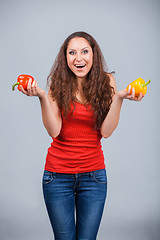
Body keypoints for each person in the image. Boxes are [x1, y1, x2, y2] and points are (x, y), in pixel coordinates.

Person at [20, 31, 144, 240]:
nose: (79, 58)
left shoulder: (107, 81)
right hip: (57, 177)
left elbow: (106, 131)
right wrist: (41, 97)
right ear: (65, 57)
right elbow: (54, 131)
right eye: (72, 53)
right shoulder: (57, 85)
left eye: (84, 51)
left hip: (93, 177)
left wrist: (120, 97)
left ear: (93, 55)